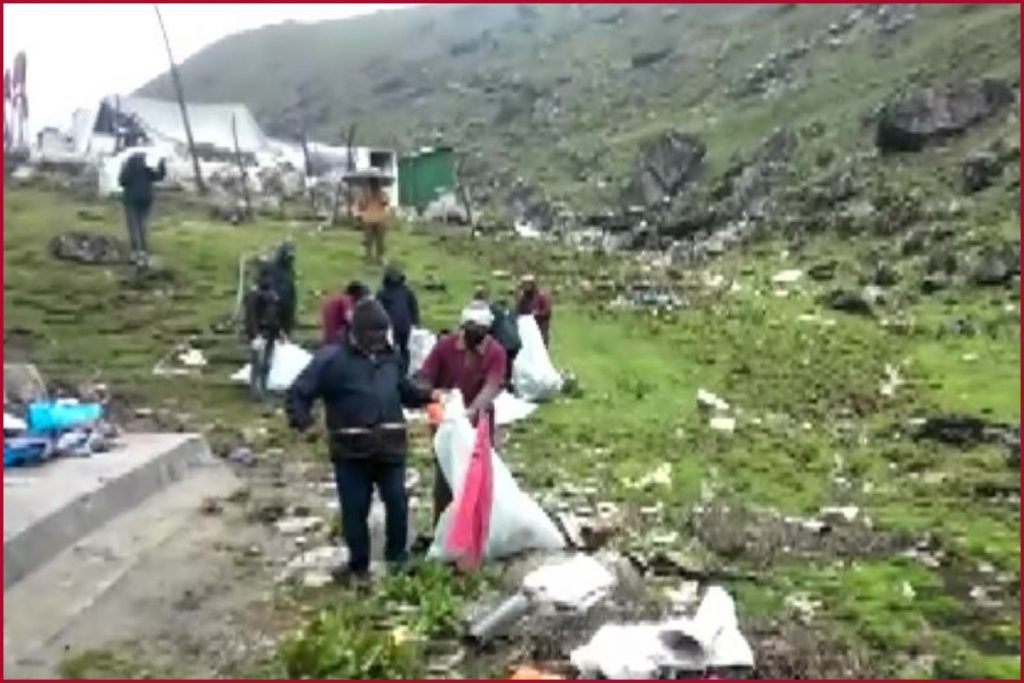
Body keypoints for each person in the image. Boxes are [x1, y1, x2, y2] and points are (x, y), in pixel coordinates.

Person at [286, 299, 434, 581]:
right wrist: (305, 424)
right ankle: (359, 567)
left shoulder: (391, 358)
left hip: (390, 448)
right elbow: (298, 394)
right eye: (374, 335)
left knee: (397, 501)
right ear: (356, 332)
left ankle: (396, 559)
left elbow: (404, 390)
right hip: (351, 452)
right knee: (355, 510)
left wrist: (429, 396)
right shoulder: (331, 360)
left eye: (383, 334)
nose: (380, 340)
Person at [415, 301, 508, 526]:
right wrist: (433, 393)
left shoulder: (495, 352)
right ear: (462, 327)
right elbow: (423, 377)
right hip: (446, 423)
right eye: (470, 330)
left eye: (480, 332)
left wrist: (471, 411)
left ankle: (475, 529)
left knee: (477, 477)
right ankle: (443, 529)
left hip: (479, 424)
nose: (474, 336)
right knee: (445, 477)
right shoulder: (445, 347)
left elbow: (491, 386)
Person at [118, 151, 167, 269]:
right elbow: (159, 176)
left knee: (133, 226)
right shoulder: (146, 170)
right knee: (142, 226)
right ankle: (143, 251)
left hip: (131, 201)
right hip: (146, 201)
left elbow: (122, 182)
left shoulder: (128, 170)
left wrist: (123, 168)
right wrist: (162, 164)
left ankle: (135, 252)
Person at [242, 263, 282, 400]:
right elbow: (251, 316)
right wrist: (254, 335)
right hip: (260, 333)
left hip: (269, 333)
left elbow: (275, 316)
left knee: (266, 364)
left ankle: (262, 389)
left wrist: (278, 331)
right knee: (258, 364)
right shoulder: (254, 296)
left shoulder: (272, 296)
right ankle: (256, 391)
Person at [376, 263, 420, 376]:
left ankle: (393, 372)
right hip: (405, 326)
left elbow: (378, 310)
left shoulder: (383, 293)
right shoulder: (406, 291)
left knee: (389, 350)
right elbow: (413, 307)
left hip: (390, 326)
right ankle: (403, 372)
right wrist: (415, 322)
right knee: (405, 350)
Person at [473, 286, 521, 389]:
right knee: (506, 369)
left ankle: (504, 390)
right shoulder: (497, 308)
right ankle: (507, 388)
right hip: (513, 341)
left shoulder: (491, 310)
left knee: (501, 369)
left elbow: (488, 328)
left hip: (506, 343)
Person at [321, 280, 370, 346]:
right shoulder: (346, 300)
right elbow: (351, 319)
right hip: (337, 339)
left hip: (328, 337)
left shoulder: (336, 297)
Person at [268, 242, 297, 337]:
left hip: (286, 302)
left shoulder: (289, 270)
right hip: (273, 300)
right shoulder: (272, 268)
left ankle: (286, 332)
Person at [358, 176, 390, 264]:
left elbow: (386, 202)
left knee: (380, 241)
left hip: (380, 220)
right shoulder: (365, 194)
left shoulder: (382, 193)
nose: (374, 185)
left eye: (376, 183)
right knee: (368, 240)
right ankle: (368, 257)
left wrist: (381, 196)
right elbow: (361, 205)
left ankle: (380, 257)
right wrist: (365, 197)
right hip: (368, 220)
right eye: (372, 183)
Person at [516, 274, 553, 347]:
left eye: (528, 284)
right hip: (527, 329)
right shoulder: (522, 298)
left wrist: (537, 314)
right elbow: (518, 311)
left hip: (540, 328)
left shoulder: (541, 296)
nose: (526, 287)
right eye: (524, 284)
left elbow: (547, 311)